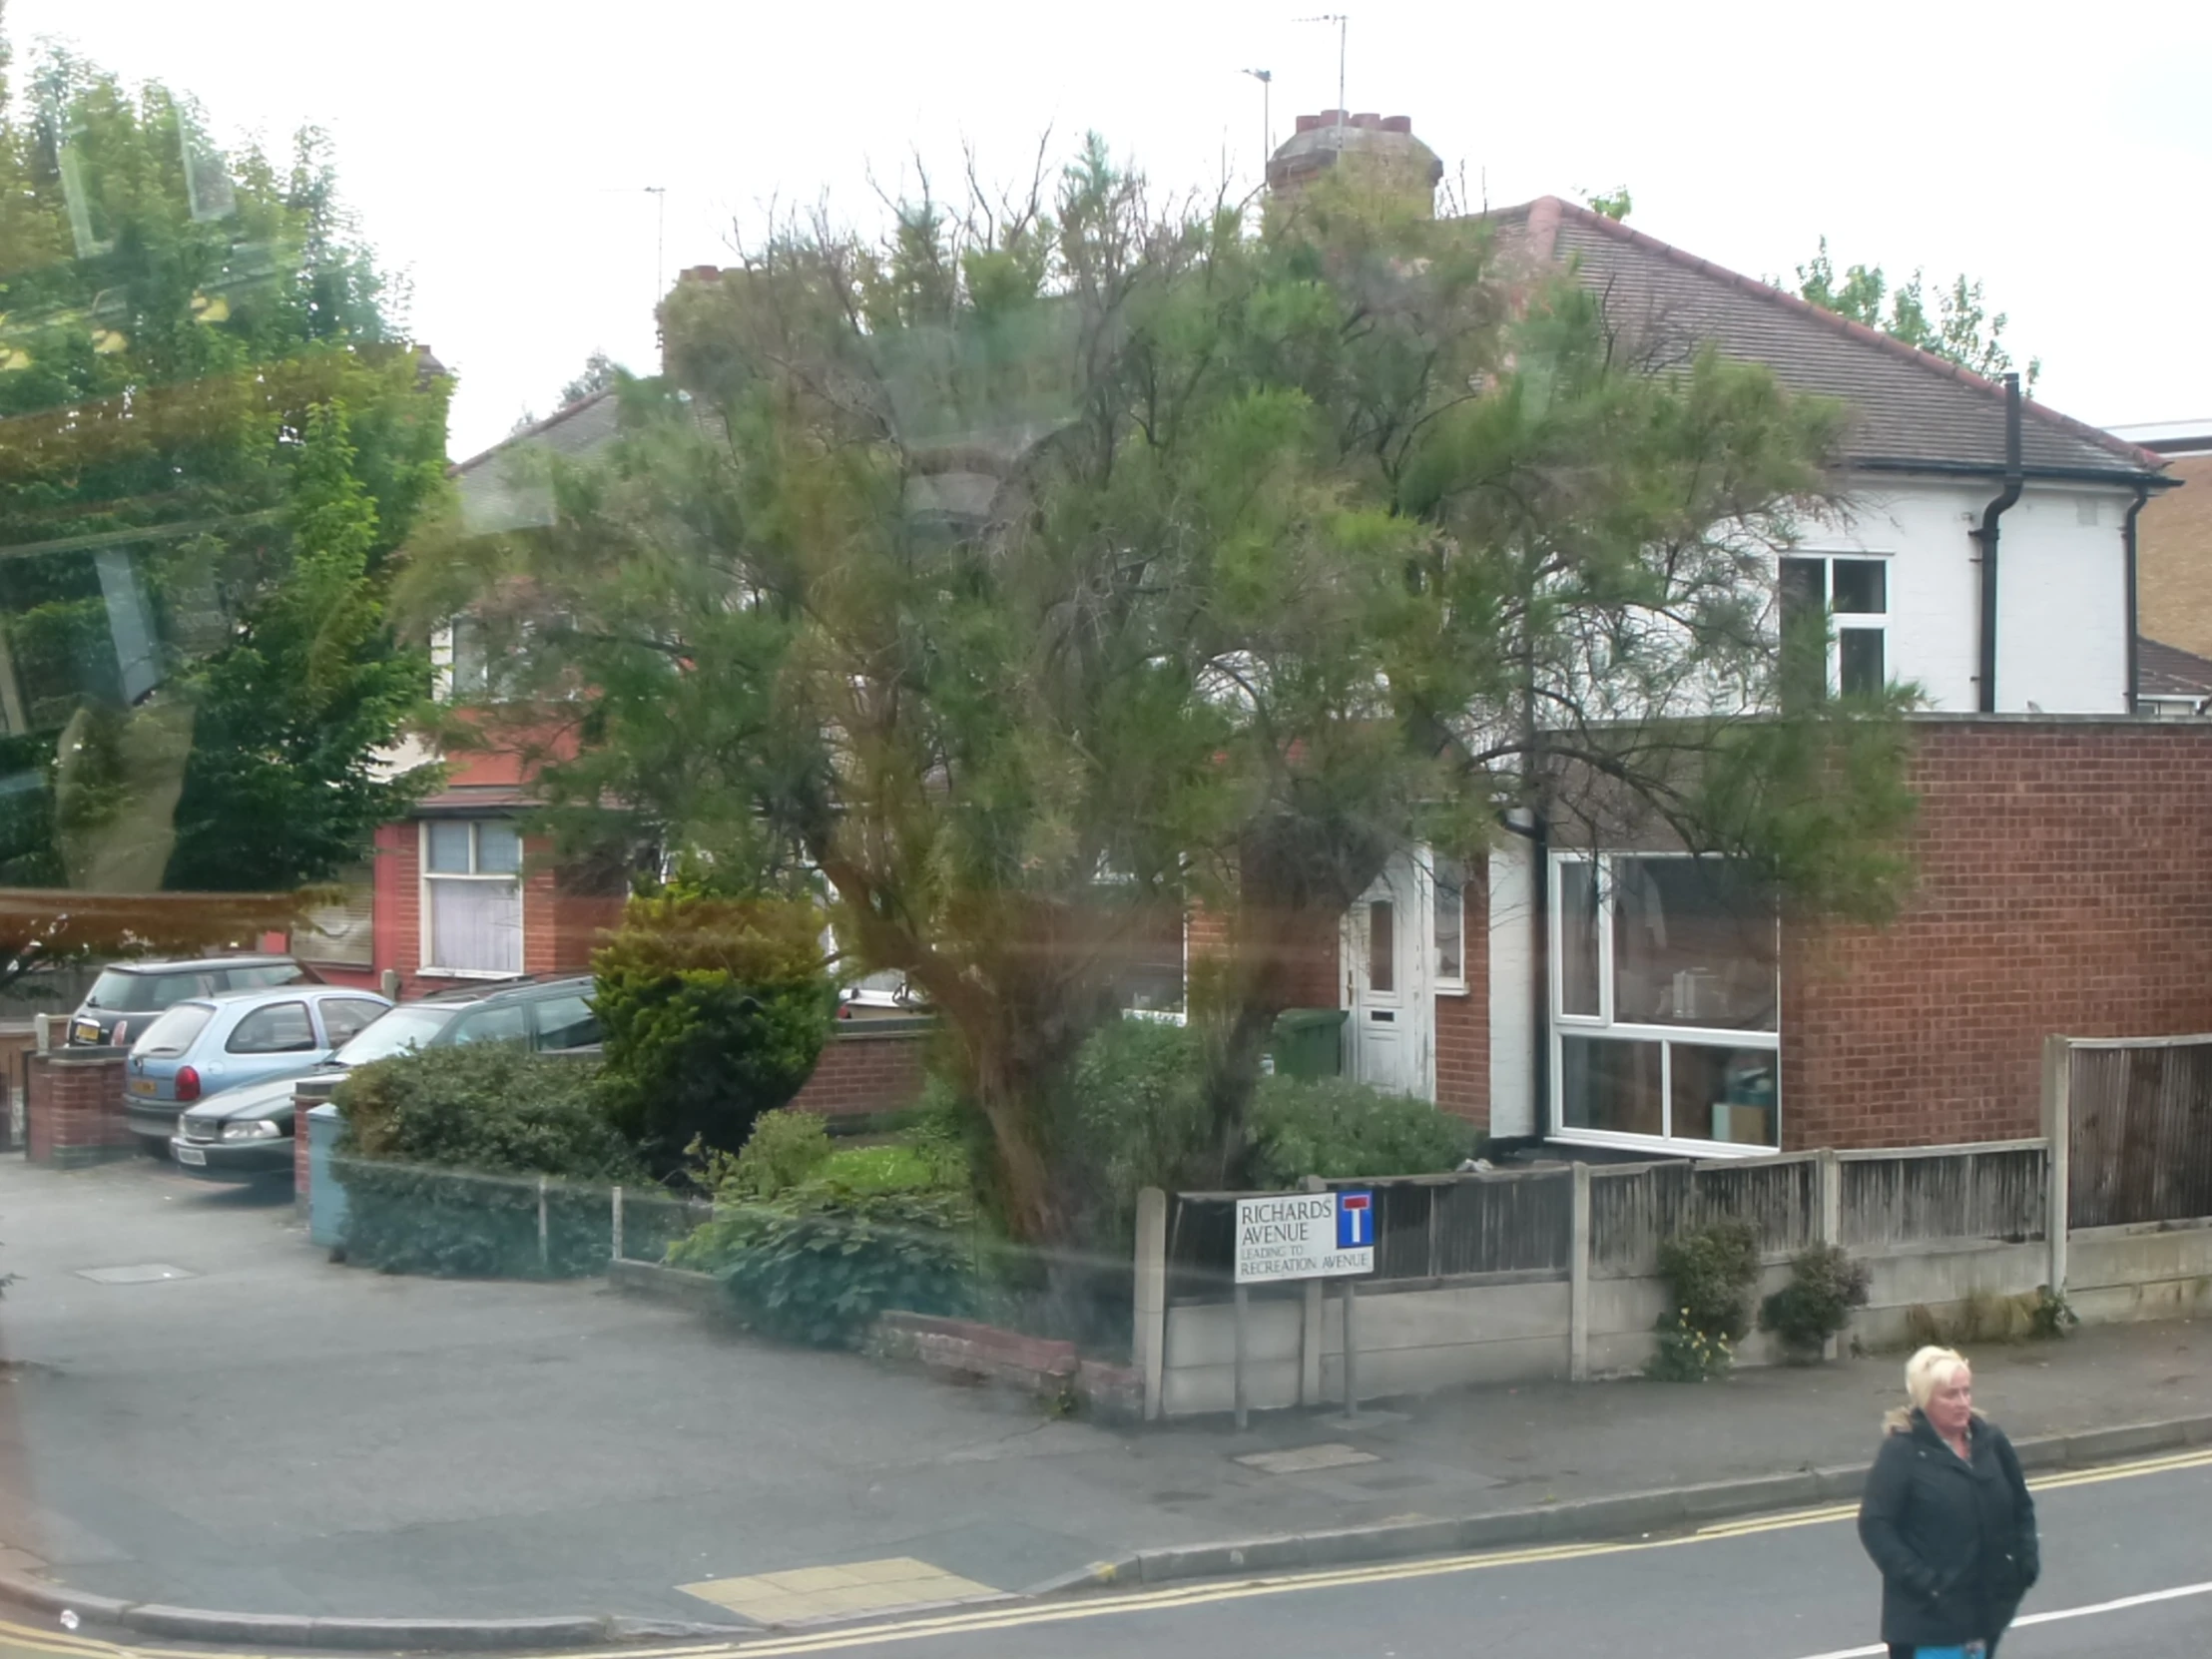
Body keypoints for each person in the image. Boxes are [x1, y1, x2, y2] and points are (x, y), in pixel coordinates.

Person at [1857, 1345, 2039, 1658]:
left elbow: (2021, 1506)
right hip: (1928, 1622)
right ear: (1926, 1399)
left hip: (1986, 1614)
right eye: (1950, 1395)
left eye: (1966, 1392)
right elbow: (1875, 1524)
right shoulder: (1903, 1452)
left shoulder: (1991, 1442)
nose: (1963, 1403)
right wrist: (1925, 1582)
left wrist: (2024, 1565)